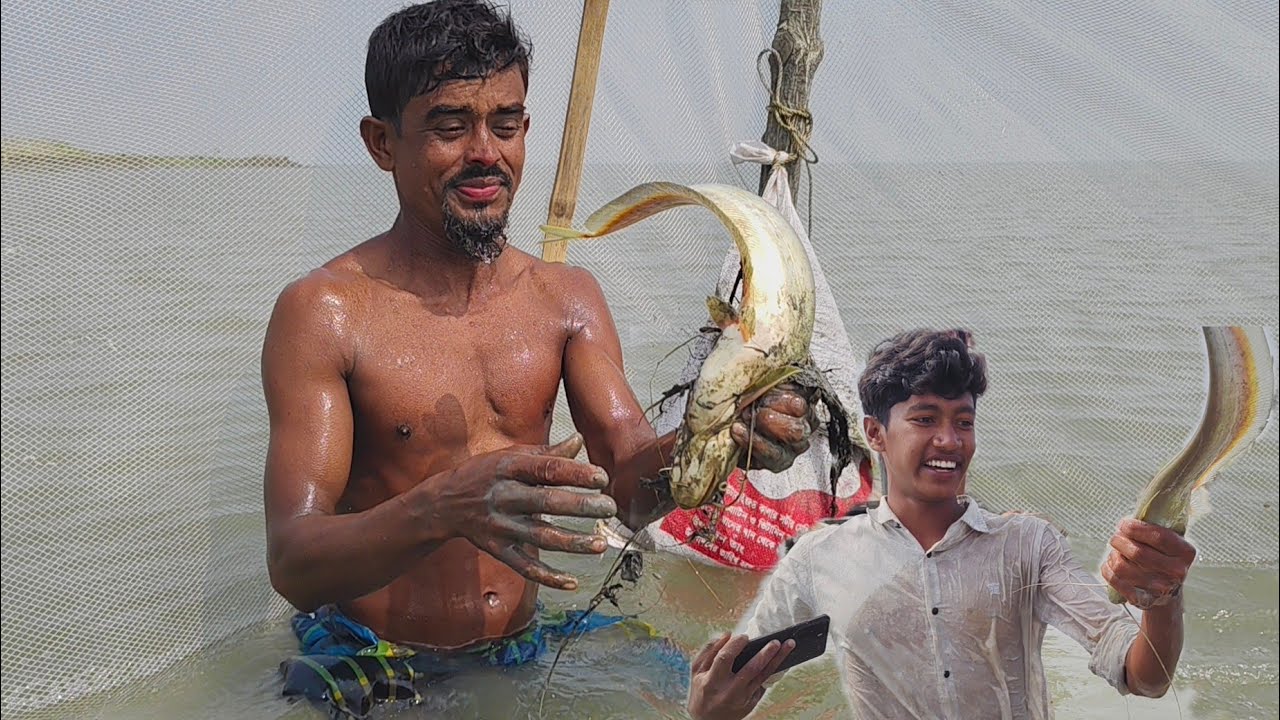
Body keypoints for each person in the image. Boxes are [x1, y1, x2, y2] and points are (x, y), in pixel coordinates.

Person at [261, 0, 815, 712]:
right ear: (381, 143)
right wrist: (441, 507)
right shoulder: (325, 311)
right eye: (449, 126)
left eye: (507, 123)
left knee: (729, 692)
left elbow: (630, 488)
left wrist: (721, 436)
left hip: (523, 644)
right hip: (369, 655)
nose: (486, 153)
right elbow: (294, 562)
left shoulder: (567, 298)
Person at [687, 328, 1197, 720]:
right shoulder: (818, 559)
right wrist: (708, 707)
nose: (950, 440)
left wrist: (1162, 596)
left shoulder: (1026, 545)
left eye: (964, 421)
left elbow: (1144, 676)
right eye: (926, 419)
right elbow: (736, 686)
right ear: (876, 434)